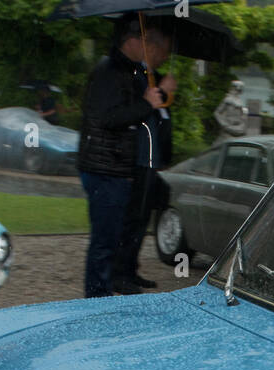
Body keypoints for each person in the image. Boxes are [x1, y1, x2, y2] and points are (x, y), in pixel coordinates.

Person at [77, 17, 173, 299]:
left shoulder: (125, 71)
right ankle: (96, 298)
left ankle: (100, 293)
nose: (149, 47)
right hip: (104, 166)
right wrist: (146, 103)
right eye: (146, 40)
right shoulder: (109, 72)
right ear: (131, 41)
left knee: (111, 234)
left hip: (115, 166)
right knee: (105, 239)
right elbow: (109, 118)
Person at [112, 20, 175, 293]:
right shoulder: (135, 75)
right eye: (162, 51)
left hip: (151, 160)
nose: (165, 57)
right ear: (150, 47)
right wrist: (162, 93)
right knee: (131, 218)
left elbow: (158, 114)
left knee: (142, 219)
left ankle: (130, 268)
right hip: (137, 159)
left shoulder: (152, 77)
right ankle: (119, 273)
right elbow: (138, 108)